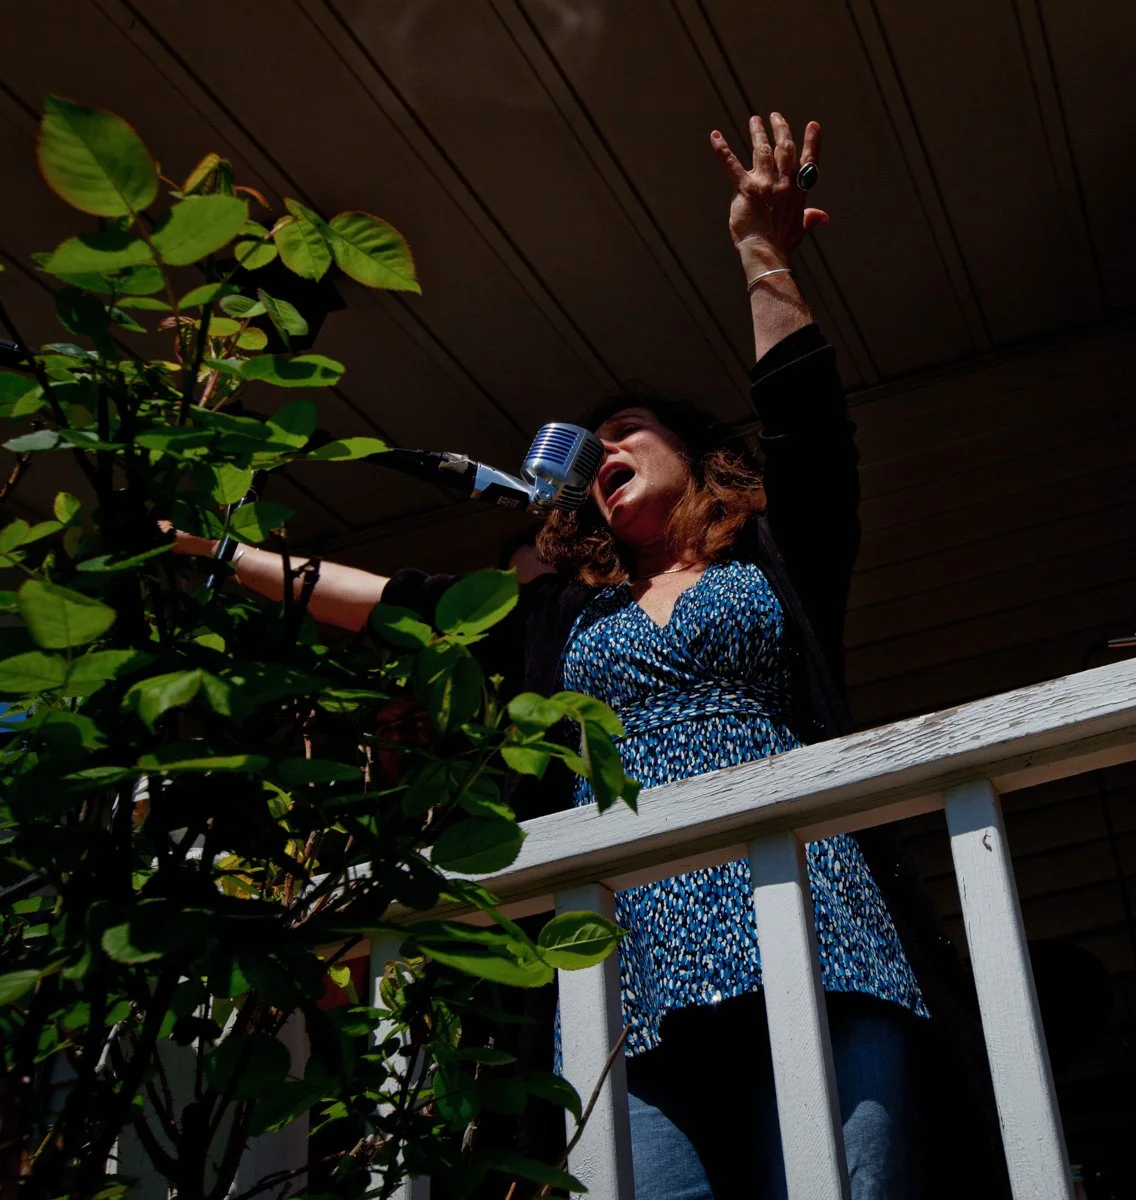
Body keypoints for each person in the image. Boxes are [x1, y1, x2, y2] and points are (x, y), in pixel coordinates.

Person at [173, 114, 949, 1199]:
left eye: (628, 430)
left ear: (698, 452)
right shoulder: (561, 621)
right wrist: (212, 554)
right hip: (632, 975)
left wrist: (763, 255)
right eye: (592, 455)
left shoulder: (777, 558)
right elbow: (394, 603)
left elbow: (810, 428)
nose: (605, 455)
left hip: (816, 926)